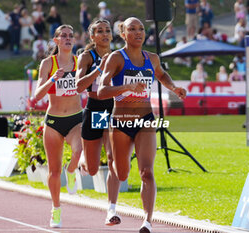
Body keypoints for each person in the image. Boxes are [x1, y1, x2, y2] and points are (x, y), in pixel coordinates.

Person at [97, 17, 187, 233]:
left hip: (145, 120)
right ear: (123, 34)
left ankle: (147, 221)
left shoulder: (152, 58)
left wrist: (174, 88)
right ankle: (111, 208)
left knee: (147, 172)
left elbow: (161, 74)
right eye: (132, 29)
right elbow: (101, 91)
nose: (138, 32)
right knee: (121, 172)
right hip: (120, 122)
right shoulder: (116, 58)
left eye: (141, 29)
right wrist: (126, 87)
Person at [34, 24, 82, 228]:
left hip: (75, 118)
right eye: (63, 36)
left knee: (78, 151)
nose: (68, 39)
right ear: (56, 41)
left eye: (71, 35)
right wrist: (53, 79)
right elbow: (36, 96)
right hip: (53, 122)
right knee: (53, 171)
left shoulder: (81, 62)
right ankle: (56, 209)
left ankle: (71, 171)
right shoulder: (48, 63)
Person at [75, 19, 121, 226]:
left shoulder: (120, 56)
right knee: (92, 169)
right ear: (92, 36)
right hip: (96, 108)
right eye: (99, 31)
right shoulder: (87, 56)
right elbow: (78, 86)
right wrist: (99, 70)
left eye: (107, 31)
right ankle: (84, 157)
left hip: (115, 108)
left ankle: (111, 210)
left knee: (113, 159)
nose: (104, 34)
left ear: (112, 35)